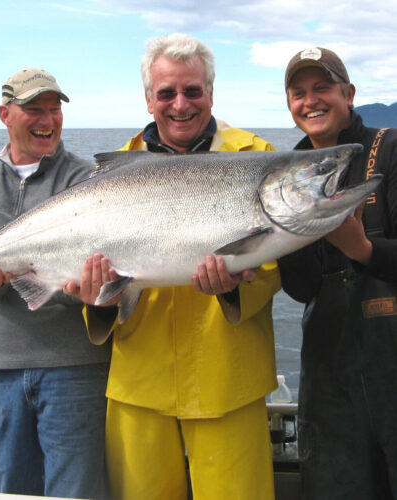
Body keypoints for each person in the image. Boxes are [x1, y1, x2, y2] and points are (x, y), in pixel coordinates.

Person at [65, 33, 281, 500]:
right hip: (139, 386)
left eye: (192, 90)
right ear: (149, 99)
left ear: (211, 93)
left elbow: (274, 263)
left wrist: (232, 288)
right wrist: (97, 300)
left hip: (230, 384)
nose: (180, 104)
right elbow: (91, 268)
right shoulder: (112, 172)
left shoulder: (256, 157)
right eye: (167, 93)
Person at [0, 68, 110, 498]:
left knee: (75, 490)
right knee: (7, 487)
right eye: (34, 109)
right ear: (5, 114)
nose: (48, 119)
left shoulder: (89, 181)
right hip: (4, 367)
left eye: (54, 109)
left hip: (77, 366)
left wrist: (88, 292)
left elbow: (102, 275)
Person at [279, 47, 397, 500]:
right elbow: (300, 288)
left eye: (322, 88)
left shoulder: (389, 149)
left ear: (348, 94)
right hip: (329, 381)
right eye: (298, 93)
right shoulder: (283, 176)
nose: (310, 101)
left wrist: (362, 250)